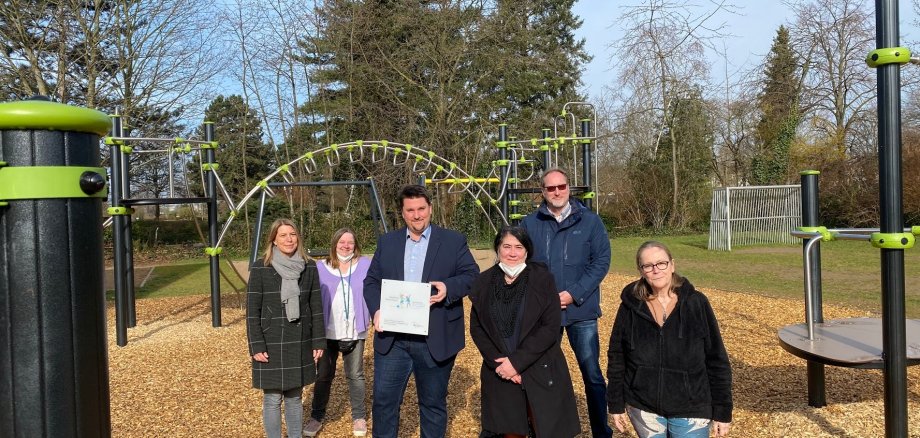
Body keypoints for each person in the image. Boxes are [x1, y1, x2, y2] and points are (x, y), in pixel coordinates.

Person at [363, 184, 479, 438]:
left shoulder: (453, 240)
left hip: (434, 337)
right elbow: (371, 282)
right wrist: (376, 311)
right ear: (402, 213)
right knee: (384, 404)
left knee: (433, 405)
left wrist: (448, 287)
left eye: (421, 209)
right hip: (393, 339)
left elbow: (472, 275)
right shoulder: (387, 242)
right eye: (411, 210)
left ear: (430, 209)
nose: (417, 215)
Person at [520, 167, 612, 437]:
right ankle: (546, 429)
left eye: (561, 187)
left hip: (580, 310)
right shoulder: (530, 224)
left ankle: (601, 431)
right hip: (544, 313)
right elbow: (522, 265)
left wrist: (573, 293)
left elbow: (600, 262)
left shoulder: (591, 222)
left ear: (569, 188)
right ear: (542, 192)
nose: (556, 192)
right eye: (550, 188)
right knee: (541, 372)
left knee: (592, 373)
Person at [606, 241, 733, 438]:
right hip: (644, 405)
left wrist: (723, 412)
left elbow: (716, 359)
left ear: (672, 265)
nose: (656, 270)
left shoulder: (696, 303)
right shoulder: (631, 307)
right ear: (641, 270)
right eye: (648, 266)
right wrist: (615, 404)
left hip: (692, 406)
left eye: (661, 263)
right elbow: (617, 356)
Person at [469, 226, 580, 438]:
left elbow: (550, 327)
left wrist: (517, 363)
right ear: (498, 249)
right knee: (511, 430)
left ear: (527, 251)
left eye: (518, 247)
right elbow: (477, 328)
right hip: (500, 371)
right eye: (506, 246)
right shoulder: (483, 283)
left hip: (539, 365)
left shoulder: (542, 279)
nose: (512, 253)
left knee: (544, 428)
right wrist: (500, 364)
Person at [246, 218, 325, 438]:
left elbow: (315, 305)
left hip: (299, 338)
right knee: (272, 398)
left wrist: (318, 340)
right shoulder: (261, 267)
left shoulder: (309, 266)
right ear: (273, 239)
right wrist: (256, 345)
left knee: (294, 396)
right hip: (270, 340)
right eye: (283, 235)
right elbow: (252, 311)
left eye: (292, 234)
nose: (289, 239)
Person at [304, 228, 372, 437]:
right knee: (323, 375)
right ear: (334, 244)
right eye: (342, 242)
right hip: (327, 333)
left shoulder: (366, 264)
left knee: (355, 375)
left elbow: (378, 289)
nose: (345, 246)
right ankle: (317, 417)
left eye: (350, 242)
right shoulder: (320, 267)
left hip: (354, 330)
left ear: (355, 245)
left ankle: (359, 417)